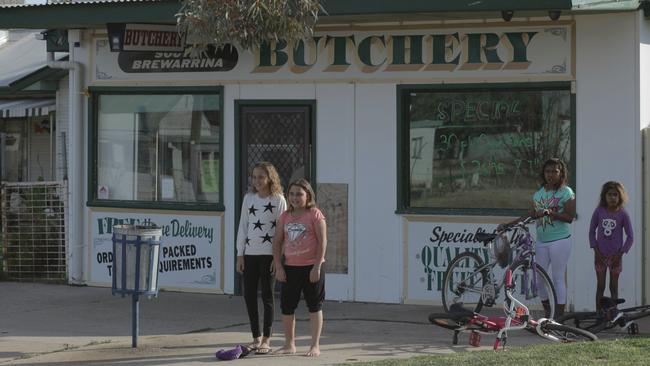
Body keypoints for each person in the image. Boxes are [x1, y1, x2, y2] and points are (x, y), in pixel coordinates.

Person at [500, 158, 575, 318]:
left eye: (555, 171)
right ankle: (548, 311)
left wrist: (551, 213)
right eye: (548, 171)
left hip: (560, 240)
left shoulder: (566, 192)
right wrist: (508, 224)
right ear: (543, 173)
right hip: (542, 242)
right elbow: (531, 214)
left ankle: (559, 317)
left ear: (561, 173)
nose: (551, 175)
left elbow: (570, 217)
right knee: (539, 279)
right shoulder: (539, 194)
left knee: (557, 277)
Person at [236, 162, 286, 354]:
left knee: (267, 296)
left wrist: (277, 258)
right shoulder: (249, 199)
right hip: (250, 255)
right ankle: (255, 337)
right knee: (249, 295)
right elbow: (243, 226)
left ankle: (267, 338)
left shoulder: (279, 199)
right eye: (254, 176)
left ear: (270, 178)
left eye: (261, 177)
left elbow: (281, 232)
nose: (257, 180)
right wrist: (240, 254)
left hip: (269, 256)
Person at [273, 179, 327, 357]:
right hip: (290, 268)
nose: (295, 197)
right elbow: (278, 241)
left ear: (308, 195)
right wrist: (279, 266)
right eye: (292, 194)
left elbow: (322, 242)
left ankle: (315, 345)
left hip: (311, 267)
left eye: (299, 194)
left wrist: (317, 266)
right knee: (287, 307)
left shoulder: (315, 214)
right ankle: (289, 344)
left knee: (314, 306)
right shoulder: (285, 216)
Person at [588, 181, 633, 312]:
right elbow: (591, 232)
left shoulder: (623, 214)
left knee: (613, 287)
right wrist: (596, 251)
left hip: (616, 258)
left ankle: (613, 314)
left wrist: (620, 254)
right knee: (600, 286)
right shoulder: (599, 211)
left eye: (615, 195)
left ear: (620, 197)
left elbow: (630, 236)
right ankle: (599, 314)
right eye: (609, 194)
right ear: (604, 196)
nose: (612, 197)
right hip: (600, 256)